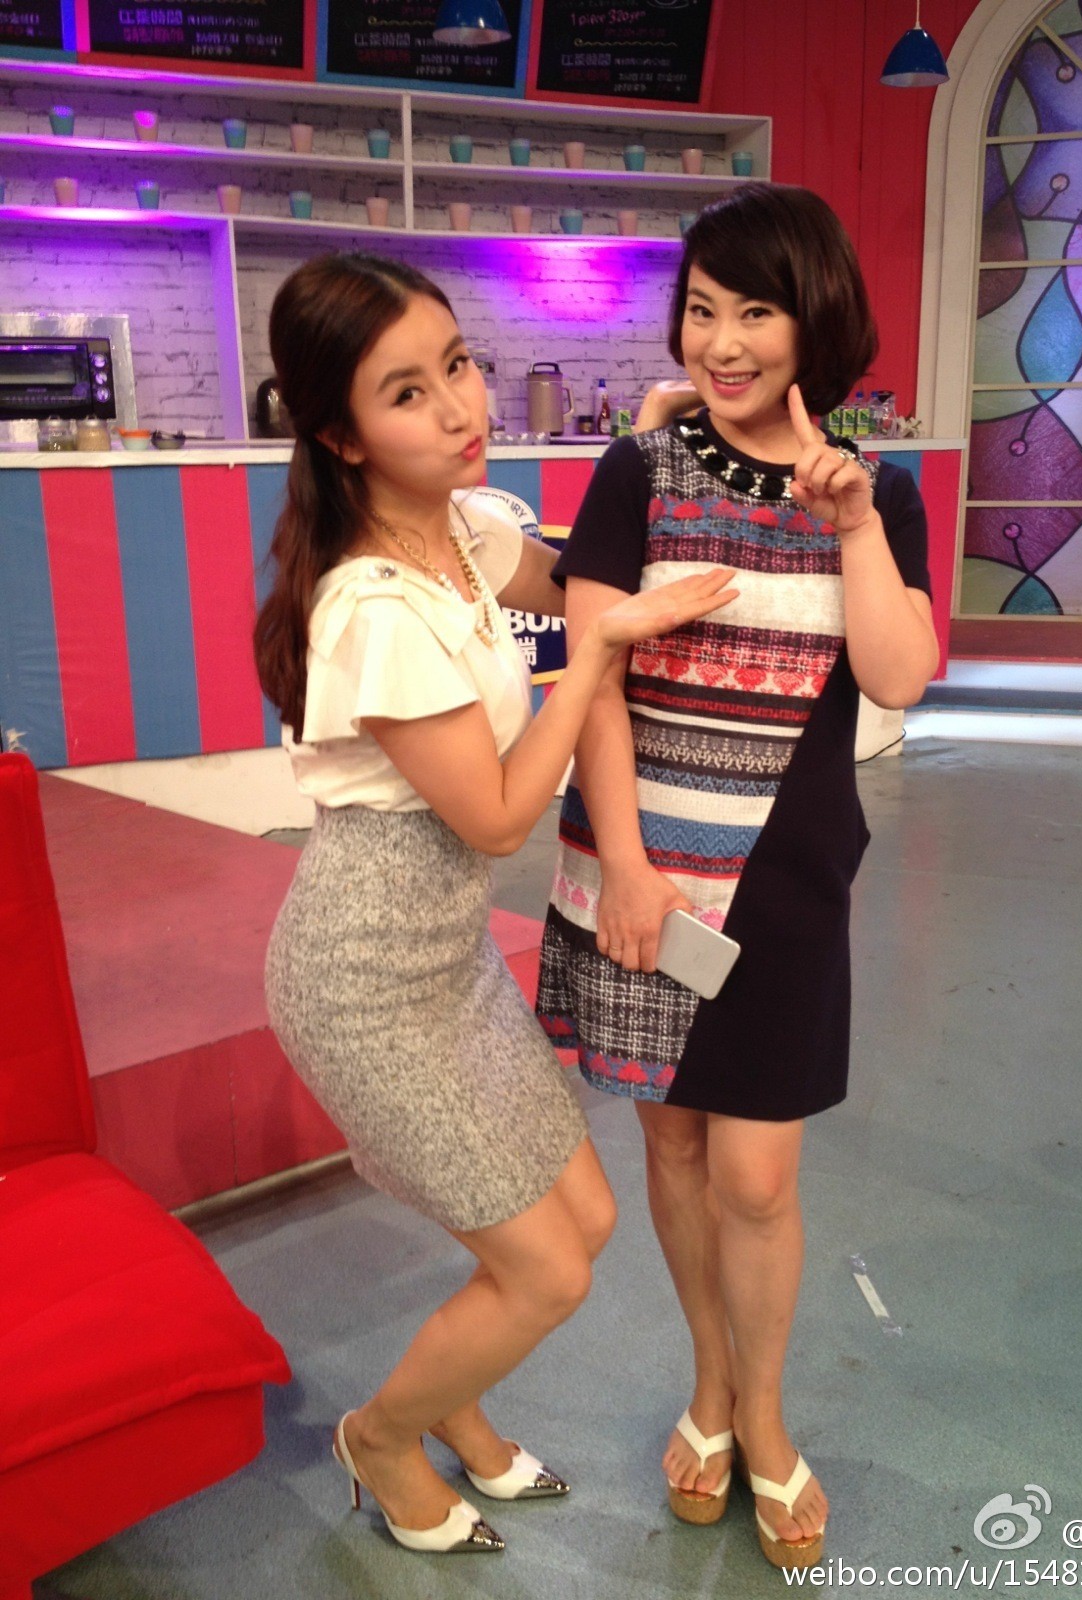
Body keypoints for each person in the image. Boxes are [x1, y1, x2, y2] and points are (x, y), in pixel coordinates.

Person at [253, 251, 736, 1558]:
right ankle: (382, 1436)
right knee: (547, 1266)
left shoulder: (462, 530)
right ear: (342, 435)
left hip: (446, 962)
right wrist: (598, 654)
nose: (460, 407)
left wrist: (645, 456)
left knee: (585, 1218)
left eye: (458, 364)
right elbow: (503, 816)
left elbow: (581, 580)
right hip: (362, 984)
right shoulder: (373, 607)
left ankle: (454, 1402)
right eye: (408, 392)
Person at [536, 185, 939, 1569]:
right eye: (701, 309)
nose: (720, 341)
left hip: (784, 884)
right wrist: (627, 868)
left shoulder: (879, 492)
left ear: (813, 318)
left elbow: (898, 675)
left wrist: (855, 524)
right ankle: (709, 1392)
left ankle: (762, 1415)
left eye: (753, 311)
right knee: (673, 1148)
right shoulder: (639, 472)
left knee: (758, 1179)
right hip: (640, 874)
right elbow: (594, 679)